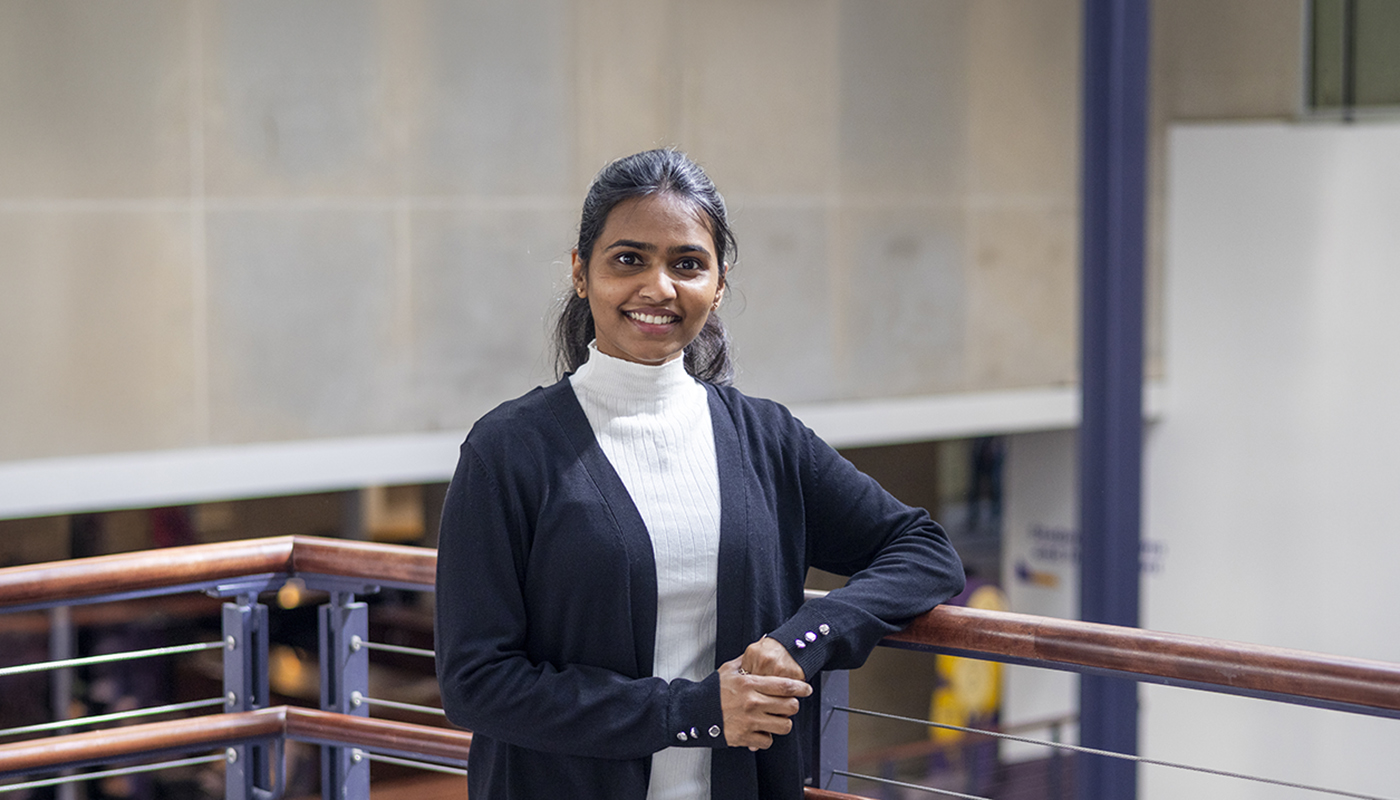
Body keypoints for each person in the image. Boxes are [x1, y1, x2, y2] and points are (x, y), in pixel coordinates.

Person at [435, 149, 964, 800]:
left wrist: (803, 640)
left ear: (717, 285)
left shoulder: (765, 439)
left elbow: (924, 551)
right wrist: (692, 713)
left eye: (687, 264)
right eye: (629, 259)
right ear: (580, 273)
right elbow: (476, 684)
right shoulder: (509, 451)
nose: (659, 288)